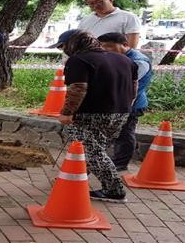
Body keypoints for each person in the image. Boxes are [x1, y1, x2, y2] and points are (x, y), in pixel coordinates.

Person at [49, 29, 138, 203]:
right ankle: (75, 176)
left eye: (63, 46)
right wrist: (125, 107)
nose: (63, 50)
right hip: (121, 111)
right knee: (97, 148)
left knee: (91, 151)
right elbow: (133, 88)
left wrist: (67, 113)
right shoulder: (124, 59)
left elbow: (77, 89)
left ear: (74, 43)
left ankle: (114, 191)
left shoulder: (78, 60)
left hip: (92, 112)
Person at [98, 32, 153, 171]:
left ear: (125, 45)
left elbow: (124, 83)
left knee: (125, 133)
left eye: (109, 46)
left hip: (132, 105)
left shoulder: (139, 62)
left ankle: (120, 164)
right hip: (118, 103)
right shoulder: (117, 58)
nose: (105, 50)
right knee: (117, 133)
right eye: (102, 46)